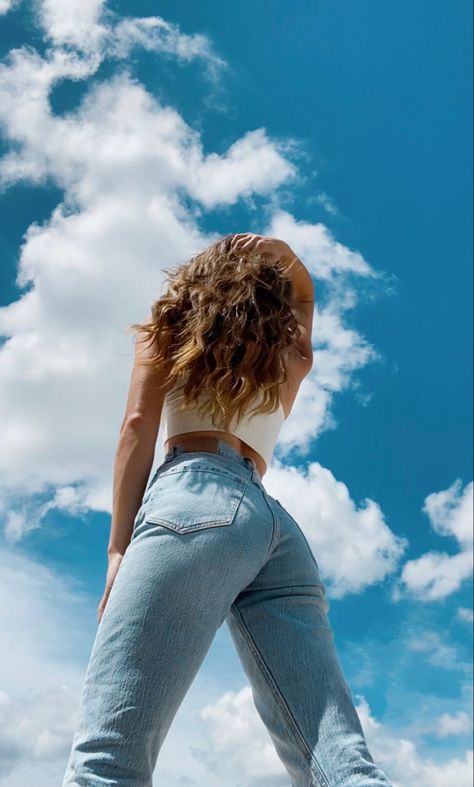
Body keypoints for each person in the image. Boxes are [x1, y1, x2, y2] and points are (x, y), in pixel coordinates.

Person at [62, 233, 393, 786]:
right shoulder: (293, 354)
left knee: (107, 759)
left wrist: (118, 546)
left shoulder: (170, 329)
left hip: (192, 499)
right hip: (274, 529)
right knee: (340, 768)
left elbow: (137, 428)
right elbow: (305, 297)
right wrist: (280, 251)